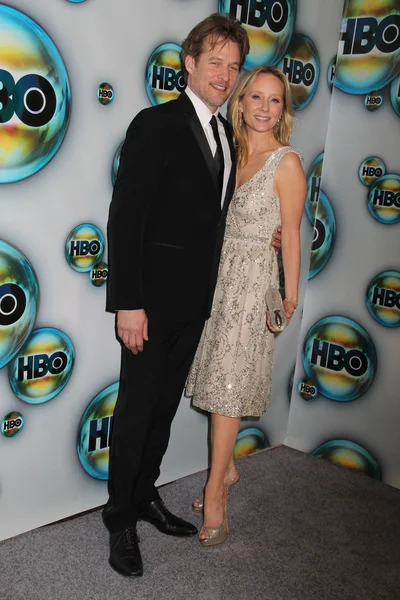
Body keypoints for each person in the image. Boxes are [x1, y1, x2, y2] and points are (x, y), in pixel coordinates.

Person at [103, 14, 256, 577]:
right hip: (149, 304)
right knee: (138, 410)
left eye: (233, 65)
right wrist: (129, 302)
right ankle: (120, 517)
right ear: (189, 63)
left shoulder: (226, 135)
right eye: (214, 61)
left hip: (194, 304)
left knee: (164, 411)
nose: (224, 73)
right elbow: (126, 218)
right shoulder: (156, 124)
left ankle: (144, 496)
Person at [186, 65, 307, 546]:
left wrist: (290, 294)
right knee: (215, 377)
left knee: (229, 387)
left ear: (283, 110)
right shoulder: (230, 153)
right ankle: (229, 468)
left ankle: (216, 490)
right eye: (254, 97)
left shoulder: (288, 163)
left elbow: (293, 236)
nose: (263, 107)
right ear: (241, 103)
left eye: (274, 100)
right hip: (216, 278)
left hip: (254, 282)